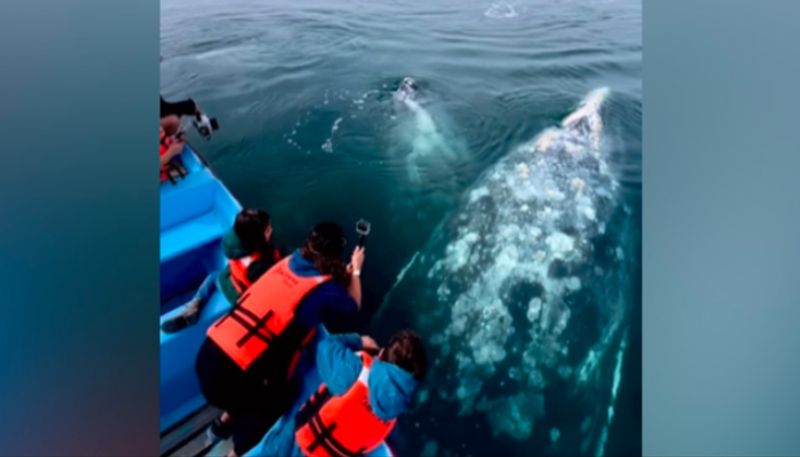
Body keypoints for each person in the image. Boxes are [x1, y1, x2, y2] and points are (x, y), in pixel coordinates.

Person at [195, 222, 366, 457]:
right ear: (336, 252)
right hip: (226, 380)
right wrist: (355, 270)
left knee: (243, 391)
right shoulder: (326, 289)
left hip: (207, 357)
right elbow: (354, 306)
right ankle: (236, 453)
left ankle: (219, 428)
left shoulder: (286, 262)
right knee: (277, 401)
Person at [161, 209, 282, 333]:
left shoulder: (233, 243)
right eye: (267, 230)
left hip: (226, 279)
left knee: (213, 277)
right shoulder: (260, 264)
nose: (271, 230)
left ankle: (193, 307)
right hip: (240, 297)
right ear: (256, 237)